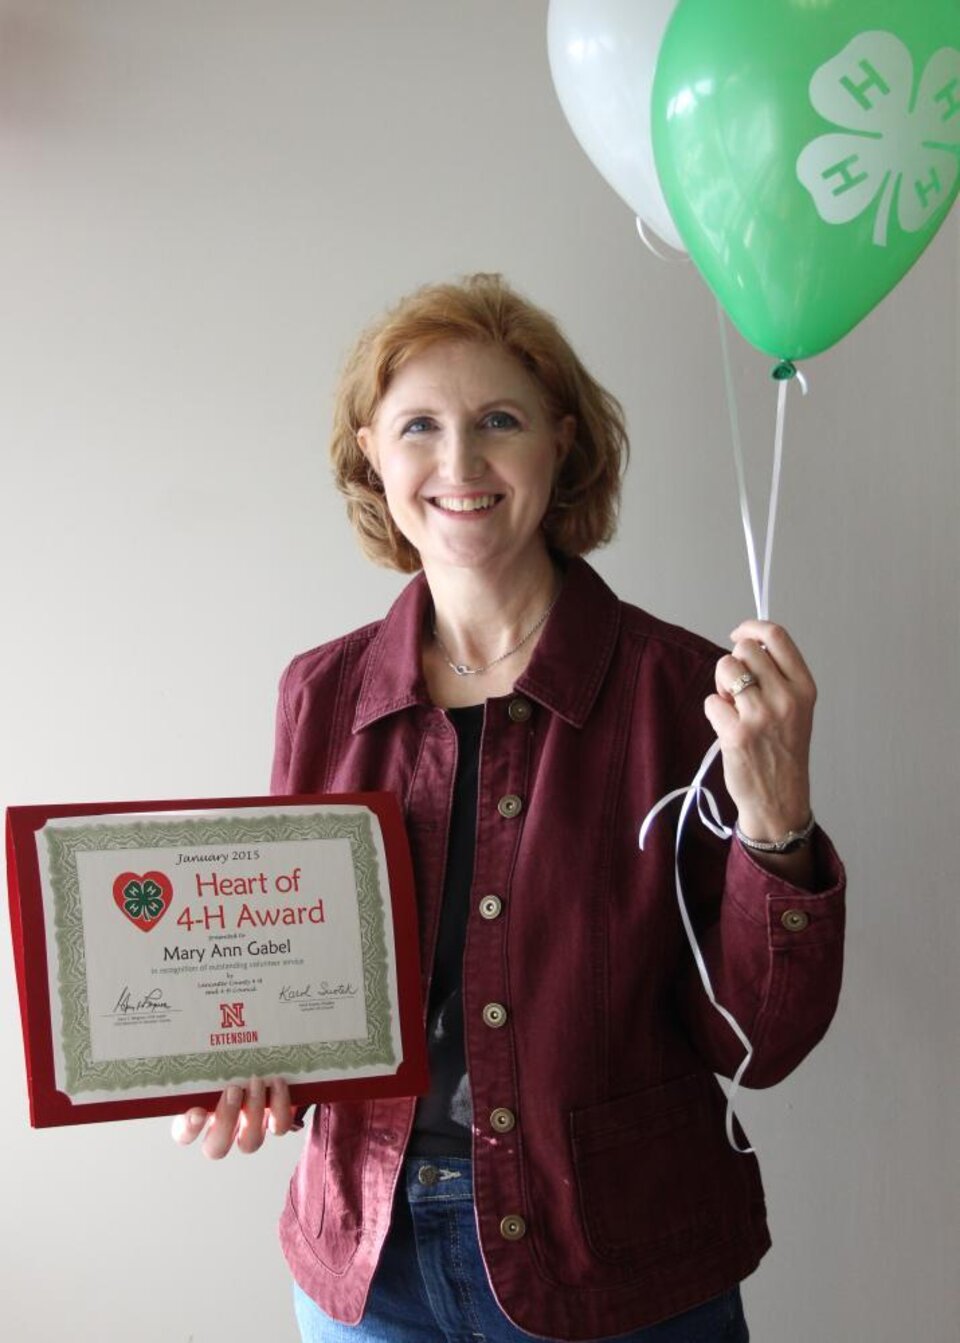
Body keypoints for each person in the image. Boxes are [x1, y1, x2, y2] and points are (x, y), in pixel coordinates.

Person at [174, 274, 845, 1342]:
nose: (460, 463)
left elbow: (761, 1041)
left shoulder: (688, 691)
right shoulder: (323, 694)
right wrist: (250, 1061)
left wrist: (780, 825)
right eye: (420, 427)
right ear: (371, 454)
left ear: (562, 445)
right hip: (367, 1263)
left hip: (621, 1262)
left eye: (500, 420)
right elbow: (291, 969)